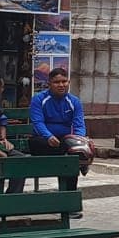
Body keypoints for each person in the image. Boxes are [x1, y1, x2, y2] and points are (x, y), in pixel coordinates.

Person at [29, 67, 88, 200]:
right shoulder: (39, 100)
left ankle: (69, 200)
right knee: (69, 155)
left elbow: (79, 124)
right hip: (42, 141)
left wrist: (79, 140)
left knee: (72, 153)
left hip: (64, 141)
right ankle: (80, 162)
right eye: (57, 82)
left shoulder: (74, 101)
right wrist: (48, 136)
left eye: (64, 81)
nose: (61, 85)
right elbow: (38, 123)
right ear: (49, 84)